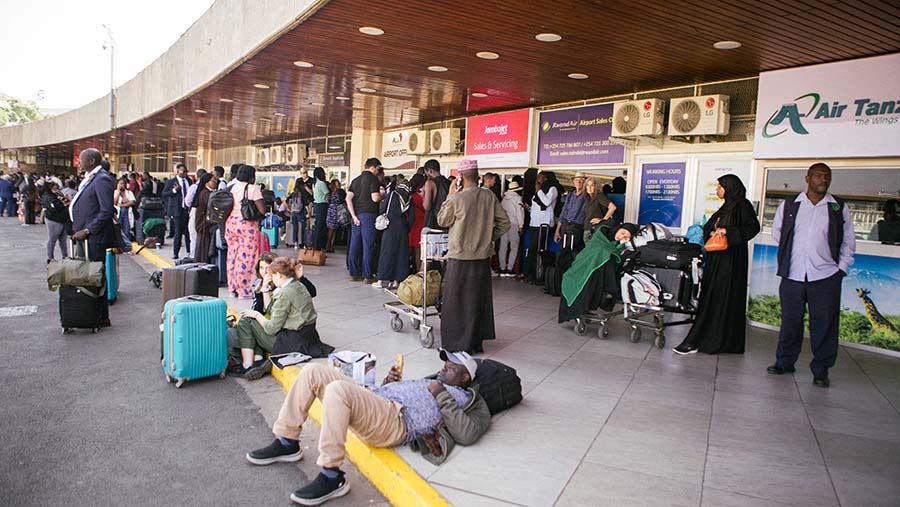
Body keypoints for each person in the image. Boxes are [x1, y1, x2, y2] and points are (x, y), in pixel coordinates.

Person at [246, 349, 490, 505]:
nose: (445, 366)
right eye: (446, 362)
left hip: (396, 422)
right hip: (380, 401)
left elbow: (467, 433)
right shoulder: (434, 380)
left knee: (337, 390)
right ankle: (287, 441)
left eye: (452, 366)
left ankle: (332, 476)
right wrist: (388, 383)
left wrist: (441, 395)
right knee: (312, 371)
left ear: (465, 377)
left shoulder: (462, 396)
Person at [768, 163, 855, 388]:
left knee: (824, 324)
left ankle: (821, 370)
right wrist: (793, 254)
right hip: (793, 274)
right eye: (818, 175)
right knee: (790, 321)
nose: (823, 179)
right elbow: (777, 233)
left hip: (826, 276)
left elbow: (848, 241)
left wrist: (840, 269)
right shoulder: (790, 204)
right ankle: (785, 362)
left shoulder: (838, 207)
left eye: (827, 176)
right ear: (807, 179)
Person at [673, 175, 761, 355]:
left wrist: (728, 231)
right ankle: (706, 339)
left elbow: (753, 227)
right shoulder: (725, 207)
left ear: (730, 188)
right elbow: (708, 228)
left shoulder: (742, 206)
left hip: (731, 261)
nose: (717, 190)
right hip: (717, 260)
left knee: (723, 297)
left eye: (720, 187)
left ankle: (712, 341)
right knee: (711, 297)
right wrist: (714, 231)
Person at [438, 159, 511, 354]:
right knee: (477, 300)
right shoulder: (489, 197)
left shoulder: (457, 198)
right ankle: (476, 343)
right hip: (482, 257)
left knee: (456, 301)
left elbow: (442, 220)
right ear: (478, 177)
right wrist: (487, 239)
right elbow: (505, 223)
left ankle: (456, 343)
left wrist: (449, 195)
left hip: (460, 257)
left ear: (461, 177)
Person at [230, 257, 334, 381]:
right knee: (255, 323)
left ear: (279, 275)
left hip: (291, 342)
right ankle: (259, 361)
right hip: (308, 338)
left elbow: (271, 328)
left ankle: (247, 365)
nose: (271, 280)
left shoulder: (285, 293)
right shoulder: (298, 285)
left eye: (272, 276)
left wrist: (256, 315)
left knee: (246, 321)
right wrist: (264, 290)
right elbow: (272, 311)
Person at [69, 148, 116, 327]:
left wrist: (88, 230)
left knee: (96, 275)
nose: (78, 163)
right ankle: (91, 311)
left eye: (80, 160)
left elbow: (106, 210)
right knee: (88, 275)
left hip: (93, 238)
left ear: (90, 162)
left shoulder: (102, 179)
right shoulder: (91, 179)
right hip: (85, 237)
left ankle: (101, 315)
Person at [558, 223, 639, 323]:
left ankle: (583, 309)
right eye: (622, 233)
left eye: (625, 237)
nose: (621, 237)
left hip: (595, 269)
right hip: (583, 263)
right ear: (619, 228)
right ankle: (579, 310)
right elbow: (602, 250)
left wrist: (622, 244)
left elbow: (611, 253)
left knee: (593, 278)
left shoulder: (617, 245)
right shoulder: (601, 234)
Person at [225, 165, 267, 298]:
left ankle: (232, 288)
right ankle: (245, 289)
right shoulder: (252, 188)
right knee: (246, 257)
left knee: (232, 255)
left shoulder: (231, 187)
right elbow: (262, 210)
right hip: (246, 224)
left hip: (231, 223)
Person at [346, 158, 383, 283]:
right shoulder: (373, 179)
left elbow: (348, 198)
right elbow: (375, 198)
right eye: (378, 168)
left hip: (357, 216)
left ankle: (353, 273)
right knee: (368, 245)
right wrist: (383, 195)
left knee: (354, 244)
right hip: (369, 215)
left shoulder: (355, 180)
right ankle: (368, 276)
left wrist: (353, 215)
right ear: (373, 167)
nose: (379, 171)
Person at [374, 179, 411, 289]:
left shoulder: (392, 194)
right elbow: (411, 217)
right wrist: (406, 228)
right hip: (403, 228)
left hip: (390, 227)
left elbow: (382, 209)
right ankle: (397, 280)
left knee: (387, 252)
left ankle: (382, 279)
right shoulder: (409, 198)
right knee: (401, 254)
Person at [524, 171, 558, 283]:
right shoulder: (538, 193)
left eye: (540, 177)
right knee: (532, 249)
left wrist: (539, 191)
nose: (538, 179)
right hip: (534, 223)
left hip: (544, 223)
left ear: (546, 178)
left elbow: (546, 202)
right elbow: (537, 207)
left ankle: (537, 275)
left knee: (538, 249)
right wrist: (528, 208)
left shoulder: (552, 189)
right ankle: (529, 274)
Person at [162, 163, 192, 259]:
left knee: (188, 231)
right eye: (183, 171)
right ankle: (176, 252)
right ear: (178, 172)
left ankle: (189, 251)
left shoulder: (189, 181)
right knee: (178, 231)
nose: (185, 173)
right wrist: (174, 191)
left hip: (187, 210)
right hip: (177, 210)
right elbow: (164, 193)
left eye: (186, 171)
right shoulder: (171, 182)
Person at [555, 172, 588, 251]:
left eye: (581, 180)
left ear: (584, 182)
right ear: (573, 182)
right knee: (563, 250)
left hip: (577, 226)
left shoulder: (586, 196)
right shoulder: (570, 195)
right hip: (565, 225)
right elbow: (563, 212)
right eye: (576, 180)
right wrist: (557, 230)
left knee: (572, 250)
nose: (578, 182)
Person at [498, 179, 524, 276]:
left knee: (503, 247)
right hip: (514, 224)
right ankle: (509, 269)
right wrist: (521, 226)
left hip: (504, 224)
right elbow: (520, 214)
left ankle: (502, 268)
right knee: (514, 247)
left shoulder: (504, 199)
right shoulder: (518, 199)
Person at [192, 172, 218, 264]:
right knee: (203, 252)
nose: (216, 182)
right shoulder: (205, 194)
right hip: (204, 227)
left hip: (204, 226)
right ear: (207, 182)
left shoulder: (206, 192)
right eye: (213, 180)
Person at [42, 180, 69, 263]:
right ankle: (50, 257)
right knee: (52, 239)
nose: (57, 187)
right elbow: (55, 207)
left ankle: (65, 256)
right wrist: (63, 203)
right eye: (55, 185)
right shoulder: (49, 197)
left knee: (63, 239)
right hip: (54, 220)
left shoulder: (55, 194)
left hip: (62, 219)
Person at [582, 177, 616, 243]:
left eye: (592, 185)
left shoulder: (599, 196)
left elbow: (613, 207)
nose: (589, 187)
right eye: (587, 185)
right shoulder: (588, 198)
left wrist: (603, 220)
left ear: (596, 187)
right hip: (587, 228)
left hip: (594, 230)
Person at [184, 168, 207, 259]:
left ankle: (193, 255)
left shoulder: (194, 187)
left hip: (195, 211)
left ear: (197, 177)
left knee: (194, 236)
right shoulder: (208, 189)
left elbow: (187, 202)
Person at [422, 159, 450, 229]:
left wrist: (423, 195)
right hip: (447, 221)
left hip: (433, 222)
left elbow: (427, 206)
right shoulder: (449, 183)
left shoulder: (430, 183)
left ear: (430, 171)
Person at [407, 173, 426, 272]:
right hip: (420, 223)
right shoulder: (420, 198)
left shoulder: (409, 196)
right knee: (419, 251)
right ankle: (420, 272)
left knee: (409, 250)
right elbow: (426, 207)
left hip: (411, 224)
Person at [113, 178, 136, 254]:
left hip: (127, 214)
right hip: (118, 214)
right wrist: (118, 192)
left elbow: (132, 202)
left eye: (123, 184)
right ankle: (120, 247)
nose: (122, 185)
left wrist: (122, 204)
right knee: (119, 231)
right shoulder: (115, 192)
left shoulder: (129, 193)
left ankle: (127, 247)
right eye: (120, 184)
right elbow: (115, 203)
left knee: (127, 229)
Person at [325, 179, 348, 252]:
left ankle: (331, 246)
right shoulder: (337, 193)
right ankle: (329, 245)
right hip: (335, 211)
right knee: (332, 229)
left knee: (333, 229)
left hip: (333, 210)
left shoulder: (330, 194)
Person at [311, 167, 330, 250]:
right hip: (322, 205)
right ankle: (319, 246)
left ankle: (315, 244)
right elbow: (328, 194)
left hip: (316, 205)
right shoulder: (321, 183)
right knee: (321, 226)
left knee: (318, 225)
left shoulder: (314, 183)